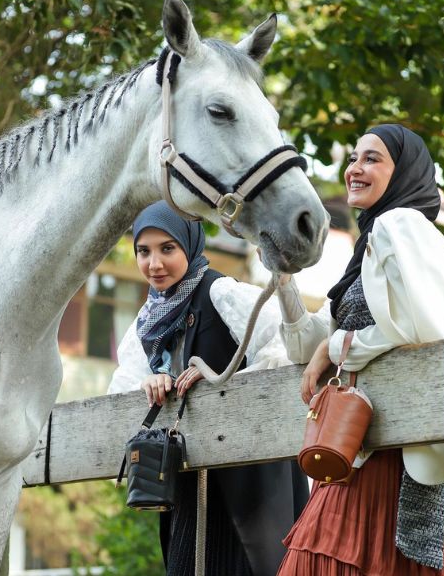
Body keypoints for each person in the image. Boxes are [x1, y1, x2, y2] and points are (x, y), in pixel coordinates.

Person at [276, 124, 444, 575]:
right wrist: (283, 279)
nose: (355, 169)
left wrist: (339, 344)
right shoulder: (369, 242)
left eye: (372, 159)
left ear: (402, 173)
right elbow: (306, 348)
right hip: (355, 449)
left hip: (388, 459)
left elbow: (424, 327)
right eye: (354, 158)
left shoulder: (399, 223)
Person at [108, 200, 309, 576]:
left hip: (252, 486)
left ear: (190, 244)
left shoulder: (222, 293)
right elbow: (118, 396)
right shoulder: (146, 323)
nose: (155, 264)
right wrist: (150, 384)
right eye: (144, 251)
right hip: (188, 491)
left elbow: (287, 352)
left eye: (167, 249)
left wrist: (222, 379)